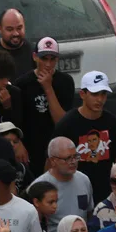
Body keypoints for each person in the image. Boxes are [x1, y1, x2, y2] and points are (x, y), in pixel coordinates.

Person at [53, 71, 116, 201]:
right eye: (94, 94)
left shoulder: (113, 124)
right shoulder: (67, 124)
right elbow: (52, 163)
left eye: (103, 94)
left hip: (105, 196)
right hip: (73, 194)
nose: (100, 99)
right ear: (82, 94)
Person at [14, 37, 74, 173]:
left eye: (52, 59)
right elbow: (17, 119)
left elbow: (62, 122)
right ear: (35, 57)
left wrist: (48, 88)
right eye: (44, 59)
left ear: (57, 59)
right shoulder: (22, 83)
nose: (48, 64)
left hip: (55, 147)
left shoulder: (66, 82)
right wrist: (18, 144)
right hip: (30, 146)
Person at [31, 137, 94, 232]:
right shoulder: (39, 186)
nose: (73, 161)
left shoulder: (84, 180)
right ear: (53, 161)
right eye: (68, 158)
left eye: (75, 156)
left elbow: (89, 213)